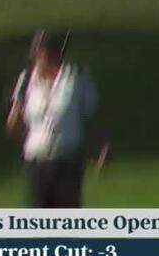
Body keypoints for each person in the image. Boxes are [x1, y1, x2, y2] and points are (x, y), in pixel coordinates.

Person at [6, 31, 108, 209]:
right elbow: (14, 123)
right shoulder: (26, 80)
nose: (39, 57)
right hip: (37, 162)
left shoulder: (76, 78)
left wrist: (99, 147)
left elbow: (90, 117)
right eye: (36, 52)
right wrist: (34, 139)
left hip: (67, 162)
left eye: (43, 51)